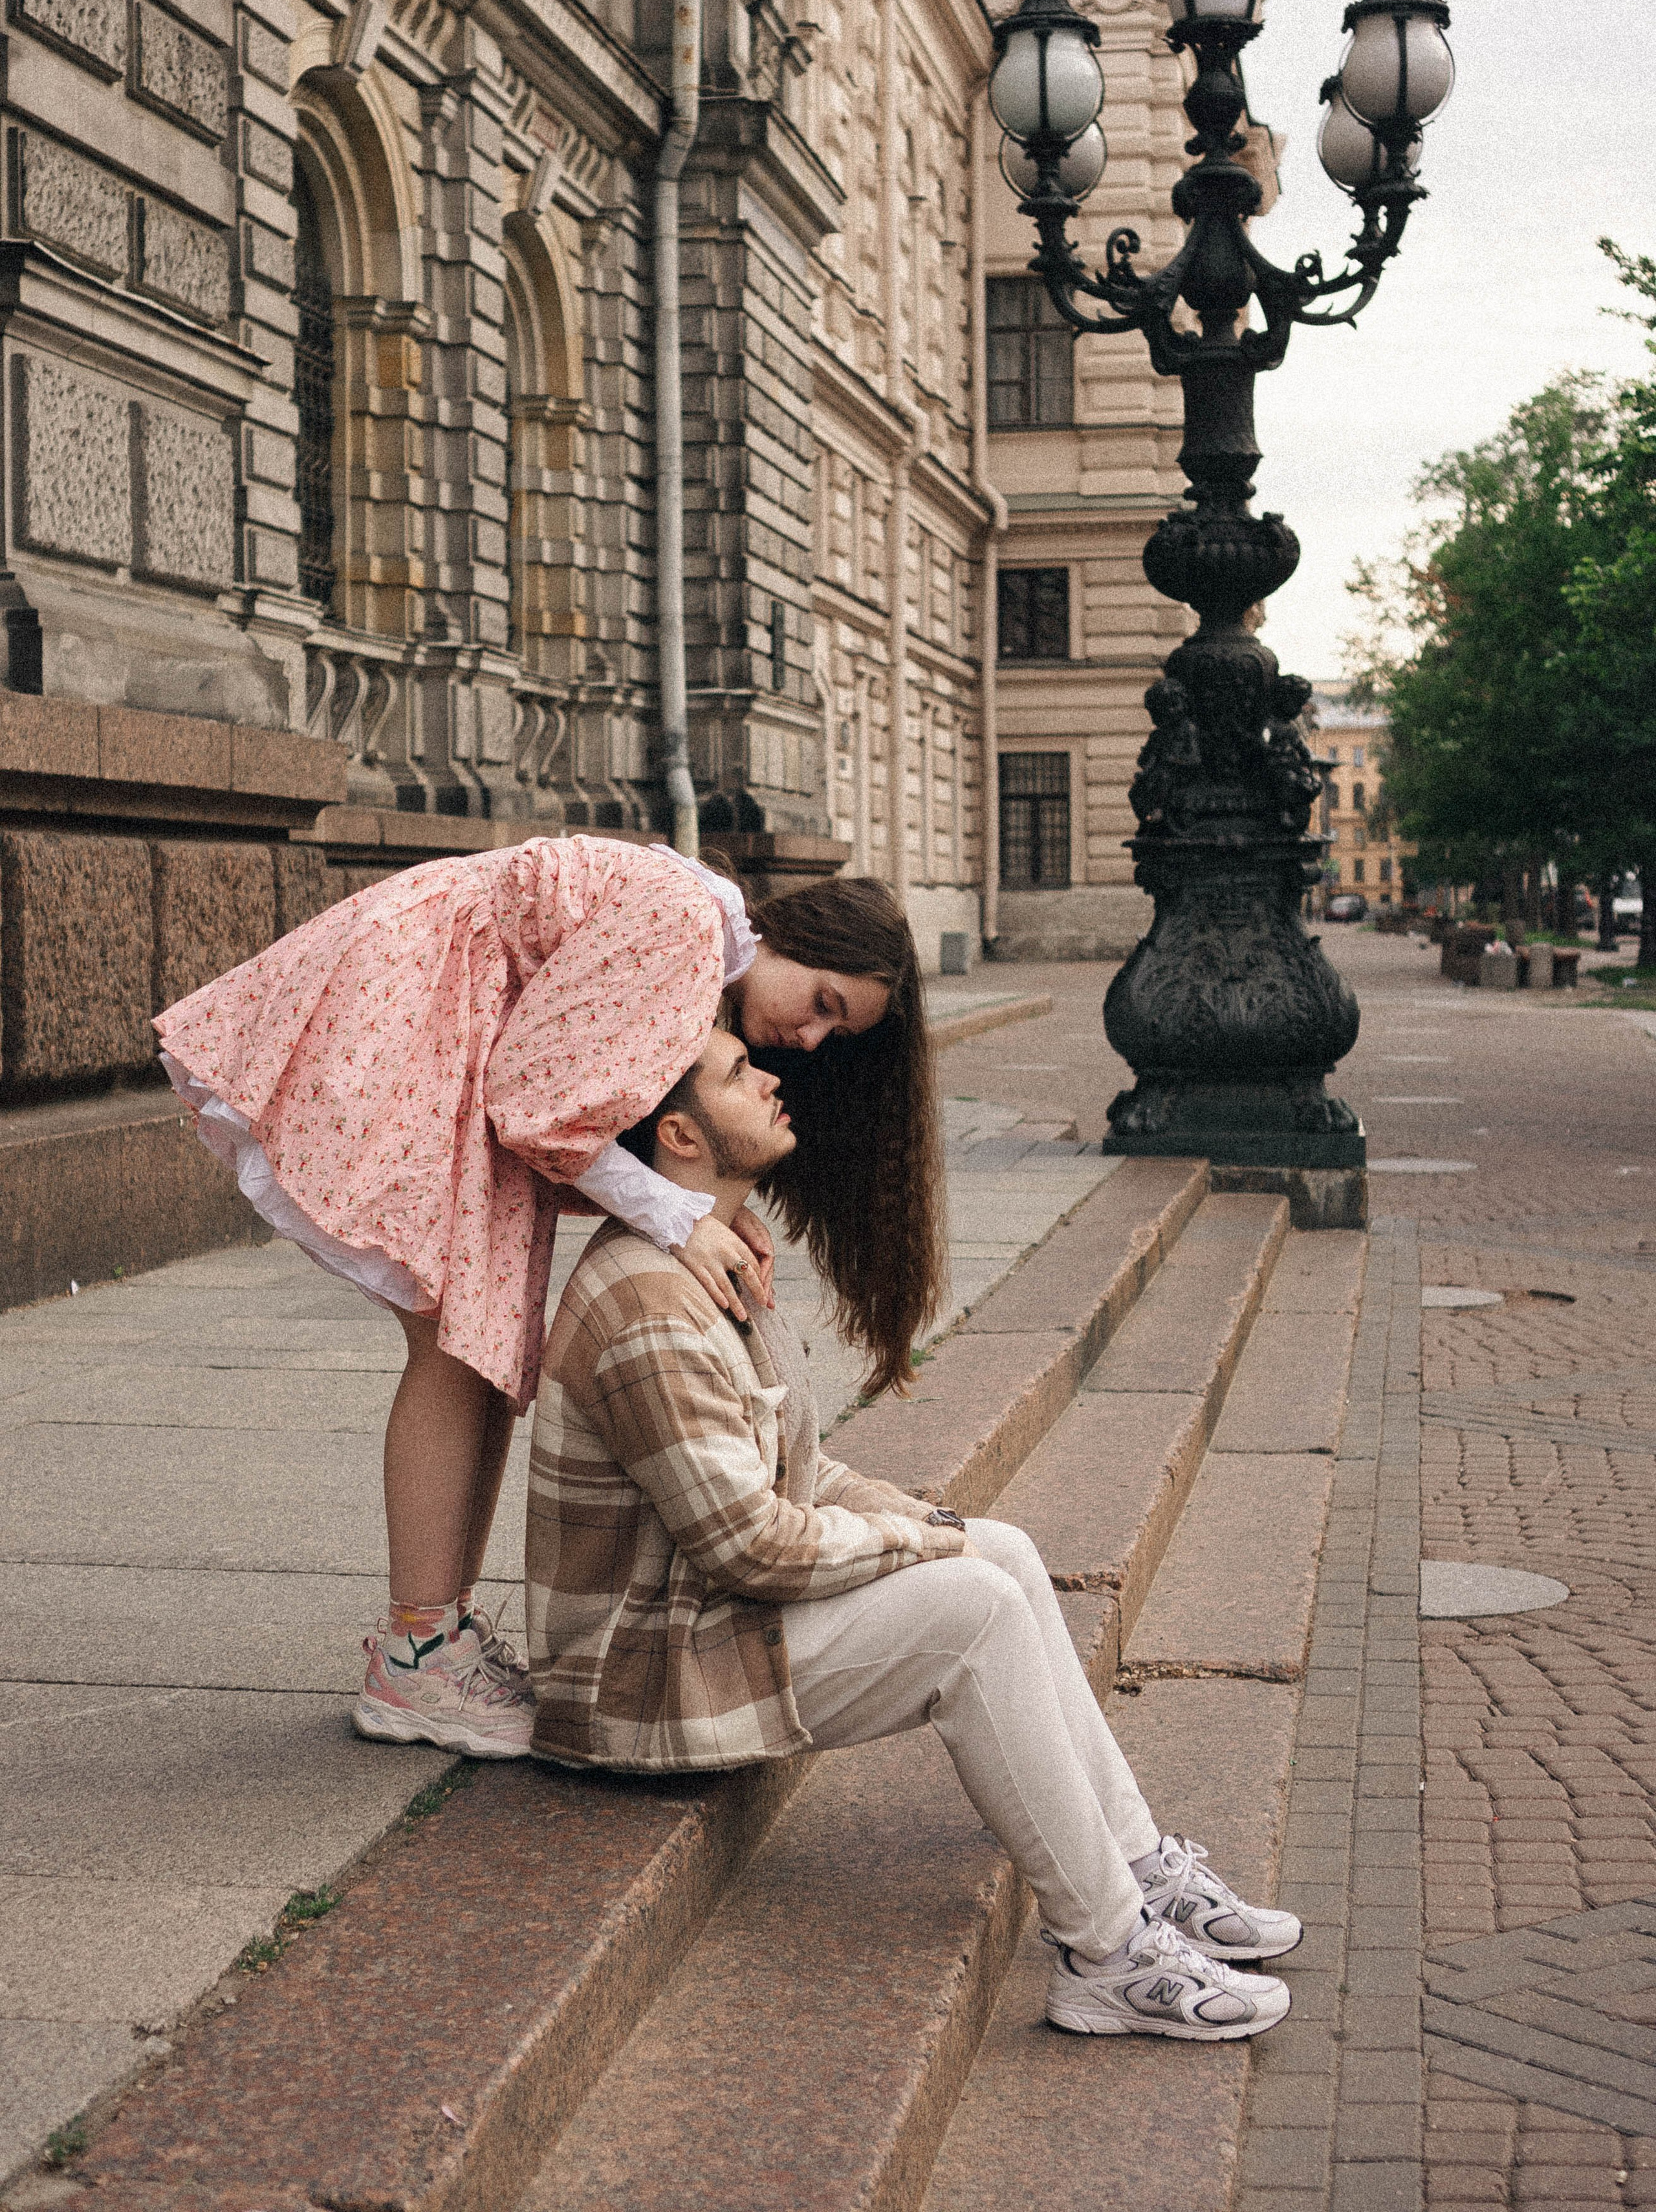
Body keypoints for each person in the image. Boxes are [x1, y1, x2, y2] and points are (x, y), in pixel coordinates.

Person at [525, 1027, 1301, 2043]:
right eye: (735, 1074)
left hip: (709, 1618)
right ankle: (1107, 1955)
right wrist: (925, 1551)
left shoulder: (705, 1259)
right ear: (679, 1134)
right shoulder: (650, 1308)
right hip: (646, 1678)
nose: (770, 1076)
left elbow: (798, 1471)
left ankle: (1140, 1865)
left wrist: (934, 1524)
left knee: (1005, 1552)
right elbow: (751, 1547)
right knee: (972, 1610)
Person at [153, 838, 942, 1760]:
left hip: (440, 1025)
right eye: (821, 1005)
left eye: (833, 1035)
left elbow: (569, 1100)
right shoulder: (690, 929)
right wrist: (682, 1219)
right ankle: (416, 1654)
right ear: (790, 936)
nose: (808, 1040)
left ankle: (434, 1640)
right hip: (418, 1021)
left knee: (480, 1352)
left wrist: (697, 1208)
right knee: (454, 1348)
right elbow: (535, 1103)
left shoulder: (697, 949)